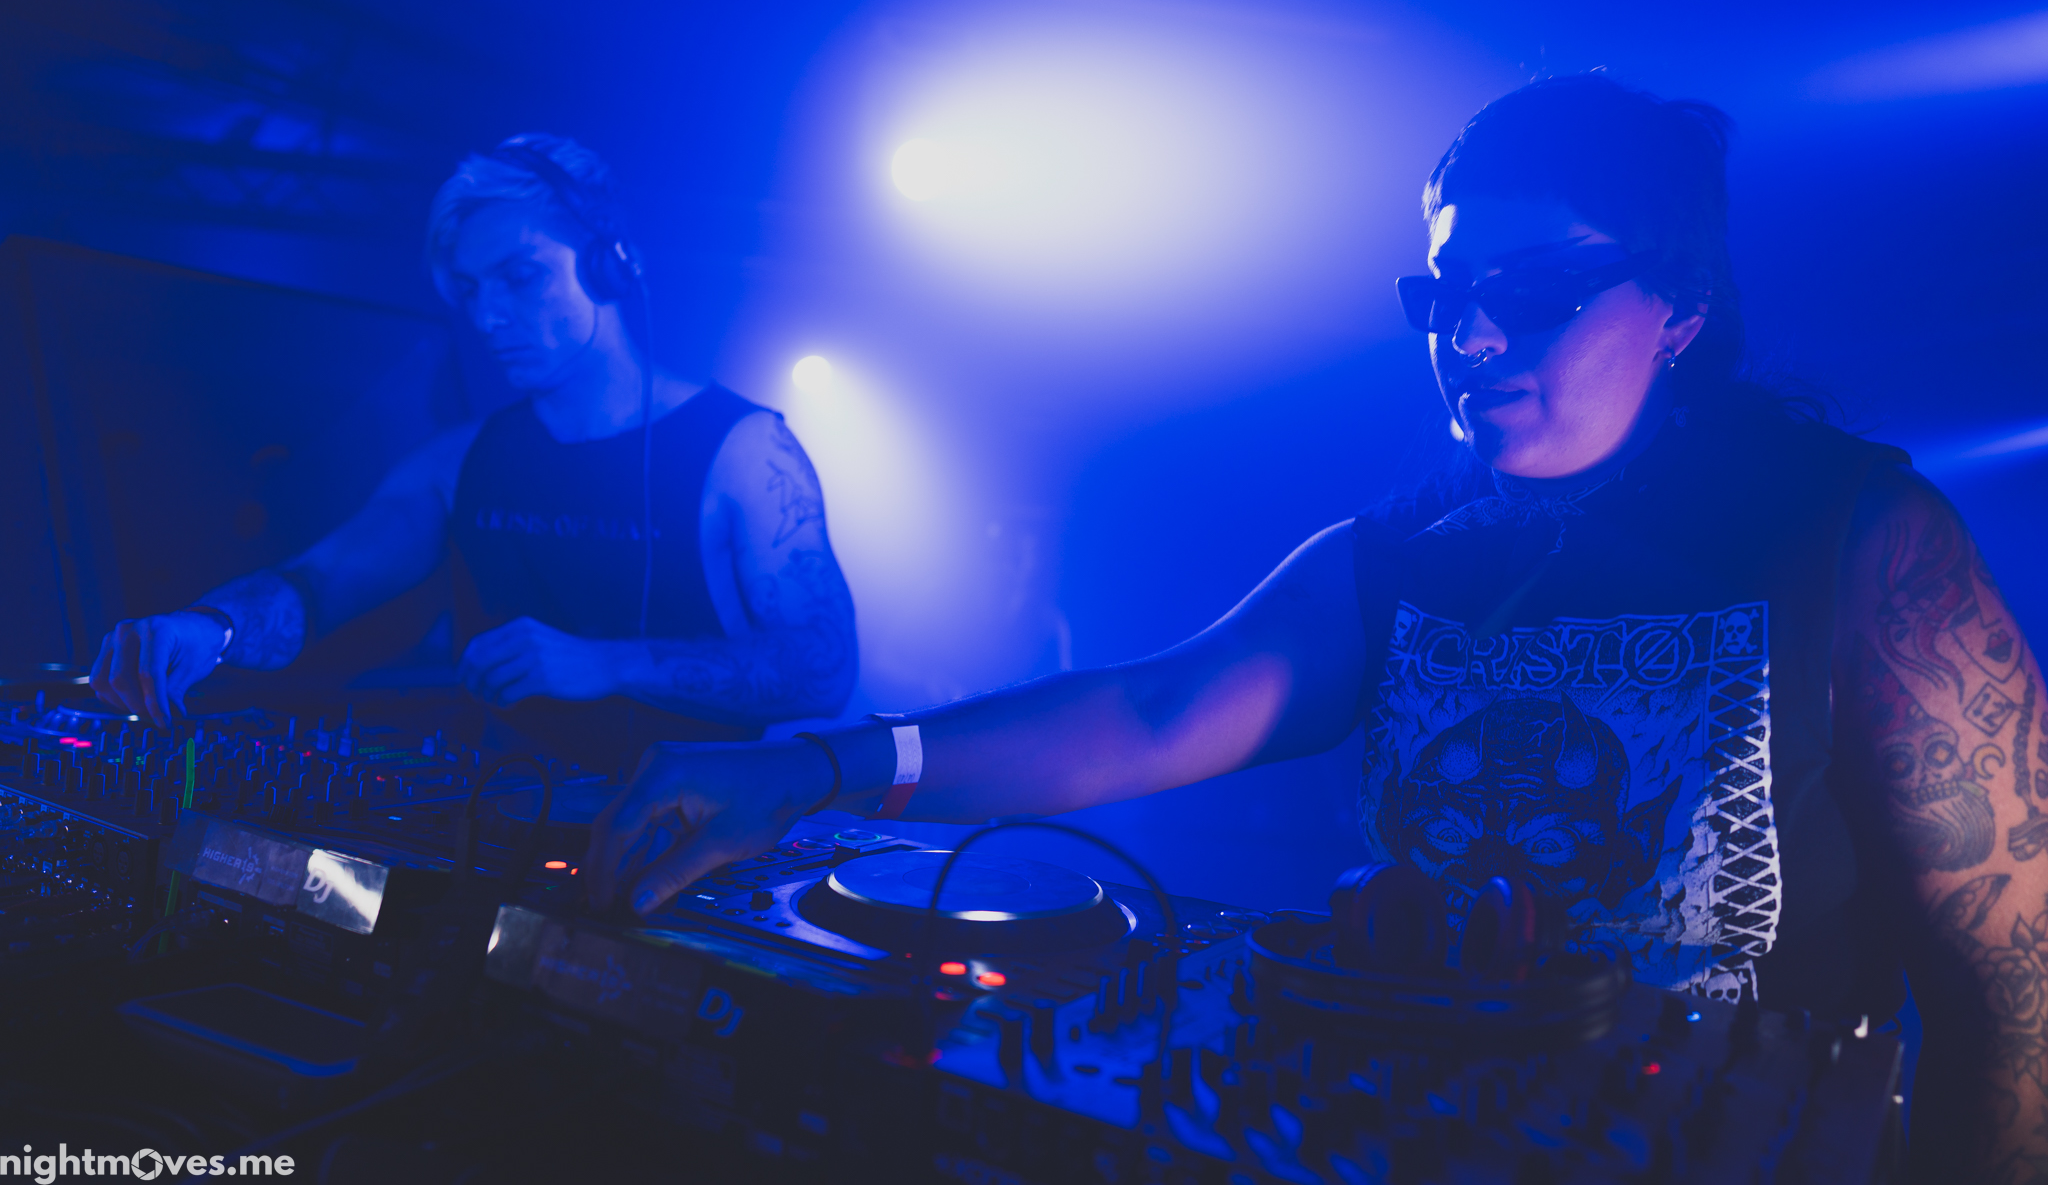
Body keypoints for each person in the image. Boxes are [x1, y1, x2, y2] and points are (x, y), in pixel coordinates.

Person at [586, 76, 2044, 1176]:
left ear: (1681, 307)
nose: (1472, 337)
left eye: (1536, 293)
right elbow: (1154, 710)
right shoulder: (1400, 556)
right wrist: (815, 766)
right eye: (1443, 294)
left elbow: (2017, 992)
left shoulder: (1859, 537)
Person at [91, 135, 858, 775]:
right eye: (469, 289)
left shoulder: (746, 451)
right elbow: (318, 585)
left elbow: (824, 667)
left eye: (520, 277)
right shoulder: (457, 463)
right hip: (502, 841)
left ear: (609, 263)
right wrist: (211, 629)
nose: (488, 316)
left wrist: (607, 663)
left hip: (692, 856)